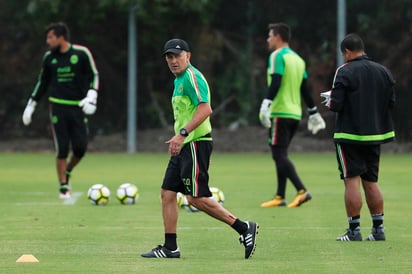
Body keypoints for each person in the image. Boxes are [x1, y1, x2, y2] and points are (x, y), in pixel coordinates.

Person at [141, 38, 258, 259]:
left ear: (188, 55)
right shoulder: (179, 80)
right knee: (167, 193)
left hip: (195, 143)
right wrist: (179, 138)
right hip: (185, 144)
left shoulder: (192, 77)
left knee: (195, 198)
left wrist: (182, 134)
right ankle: (170, 247)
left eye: (177, 55)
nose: (173, 60)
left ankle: (244, 228)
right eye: (169, 57)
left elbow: (206, 109)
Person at [321, 33, 395, 241]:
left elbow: (336, 105)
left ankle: (354, 231)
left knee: (351, 181)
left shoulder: (344, 71)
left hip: (349, 135)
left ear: (346, 52)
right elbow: (391, 102)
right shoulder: (383, 71)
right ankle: (378, 230)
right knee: (371, 181)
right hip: (375, 135)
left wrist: (329, 100)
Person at [22, 22, 99, 199]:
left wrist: (92, 95)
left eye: (50, 37)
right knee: (62, 147)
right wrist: (31, 104)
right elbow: (42, 82)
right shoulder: (49, 58)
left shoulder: (81, 53)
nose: (47, 41)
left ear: (60, 37)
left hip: (78, 107)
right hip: (57, 106)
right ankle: (63, 186)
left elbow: (93, 75)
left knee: (80, 148)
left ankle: (69, 170)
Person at [259, 23, 325, 208]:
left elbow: (276, 81)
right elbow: (305, 88)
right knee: (281, 154)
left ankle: (301, 191)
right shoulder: (298, 59)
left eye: (270, 35)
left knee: (278, 154)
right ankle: (280, 196)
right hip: (295, 114)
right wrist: (312, 111)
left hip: (280, 112)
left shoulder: (276, 56)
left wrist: (266, 103)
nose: (268, 39)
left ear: (278, 37)